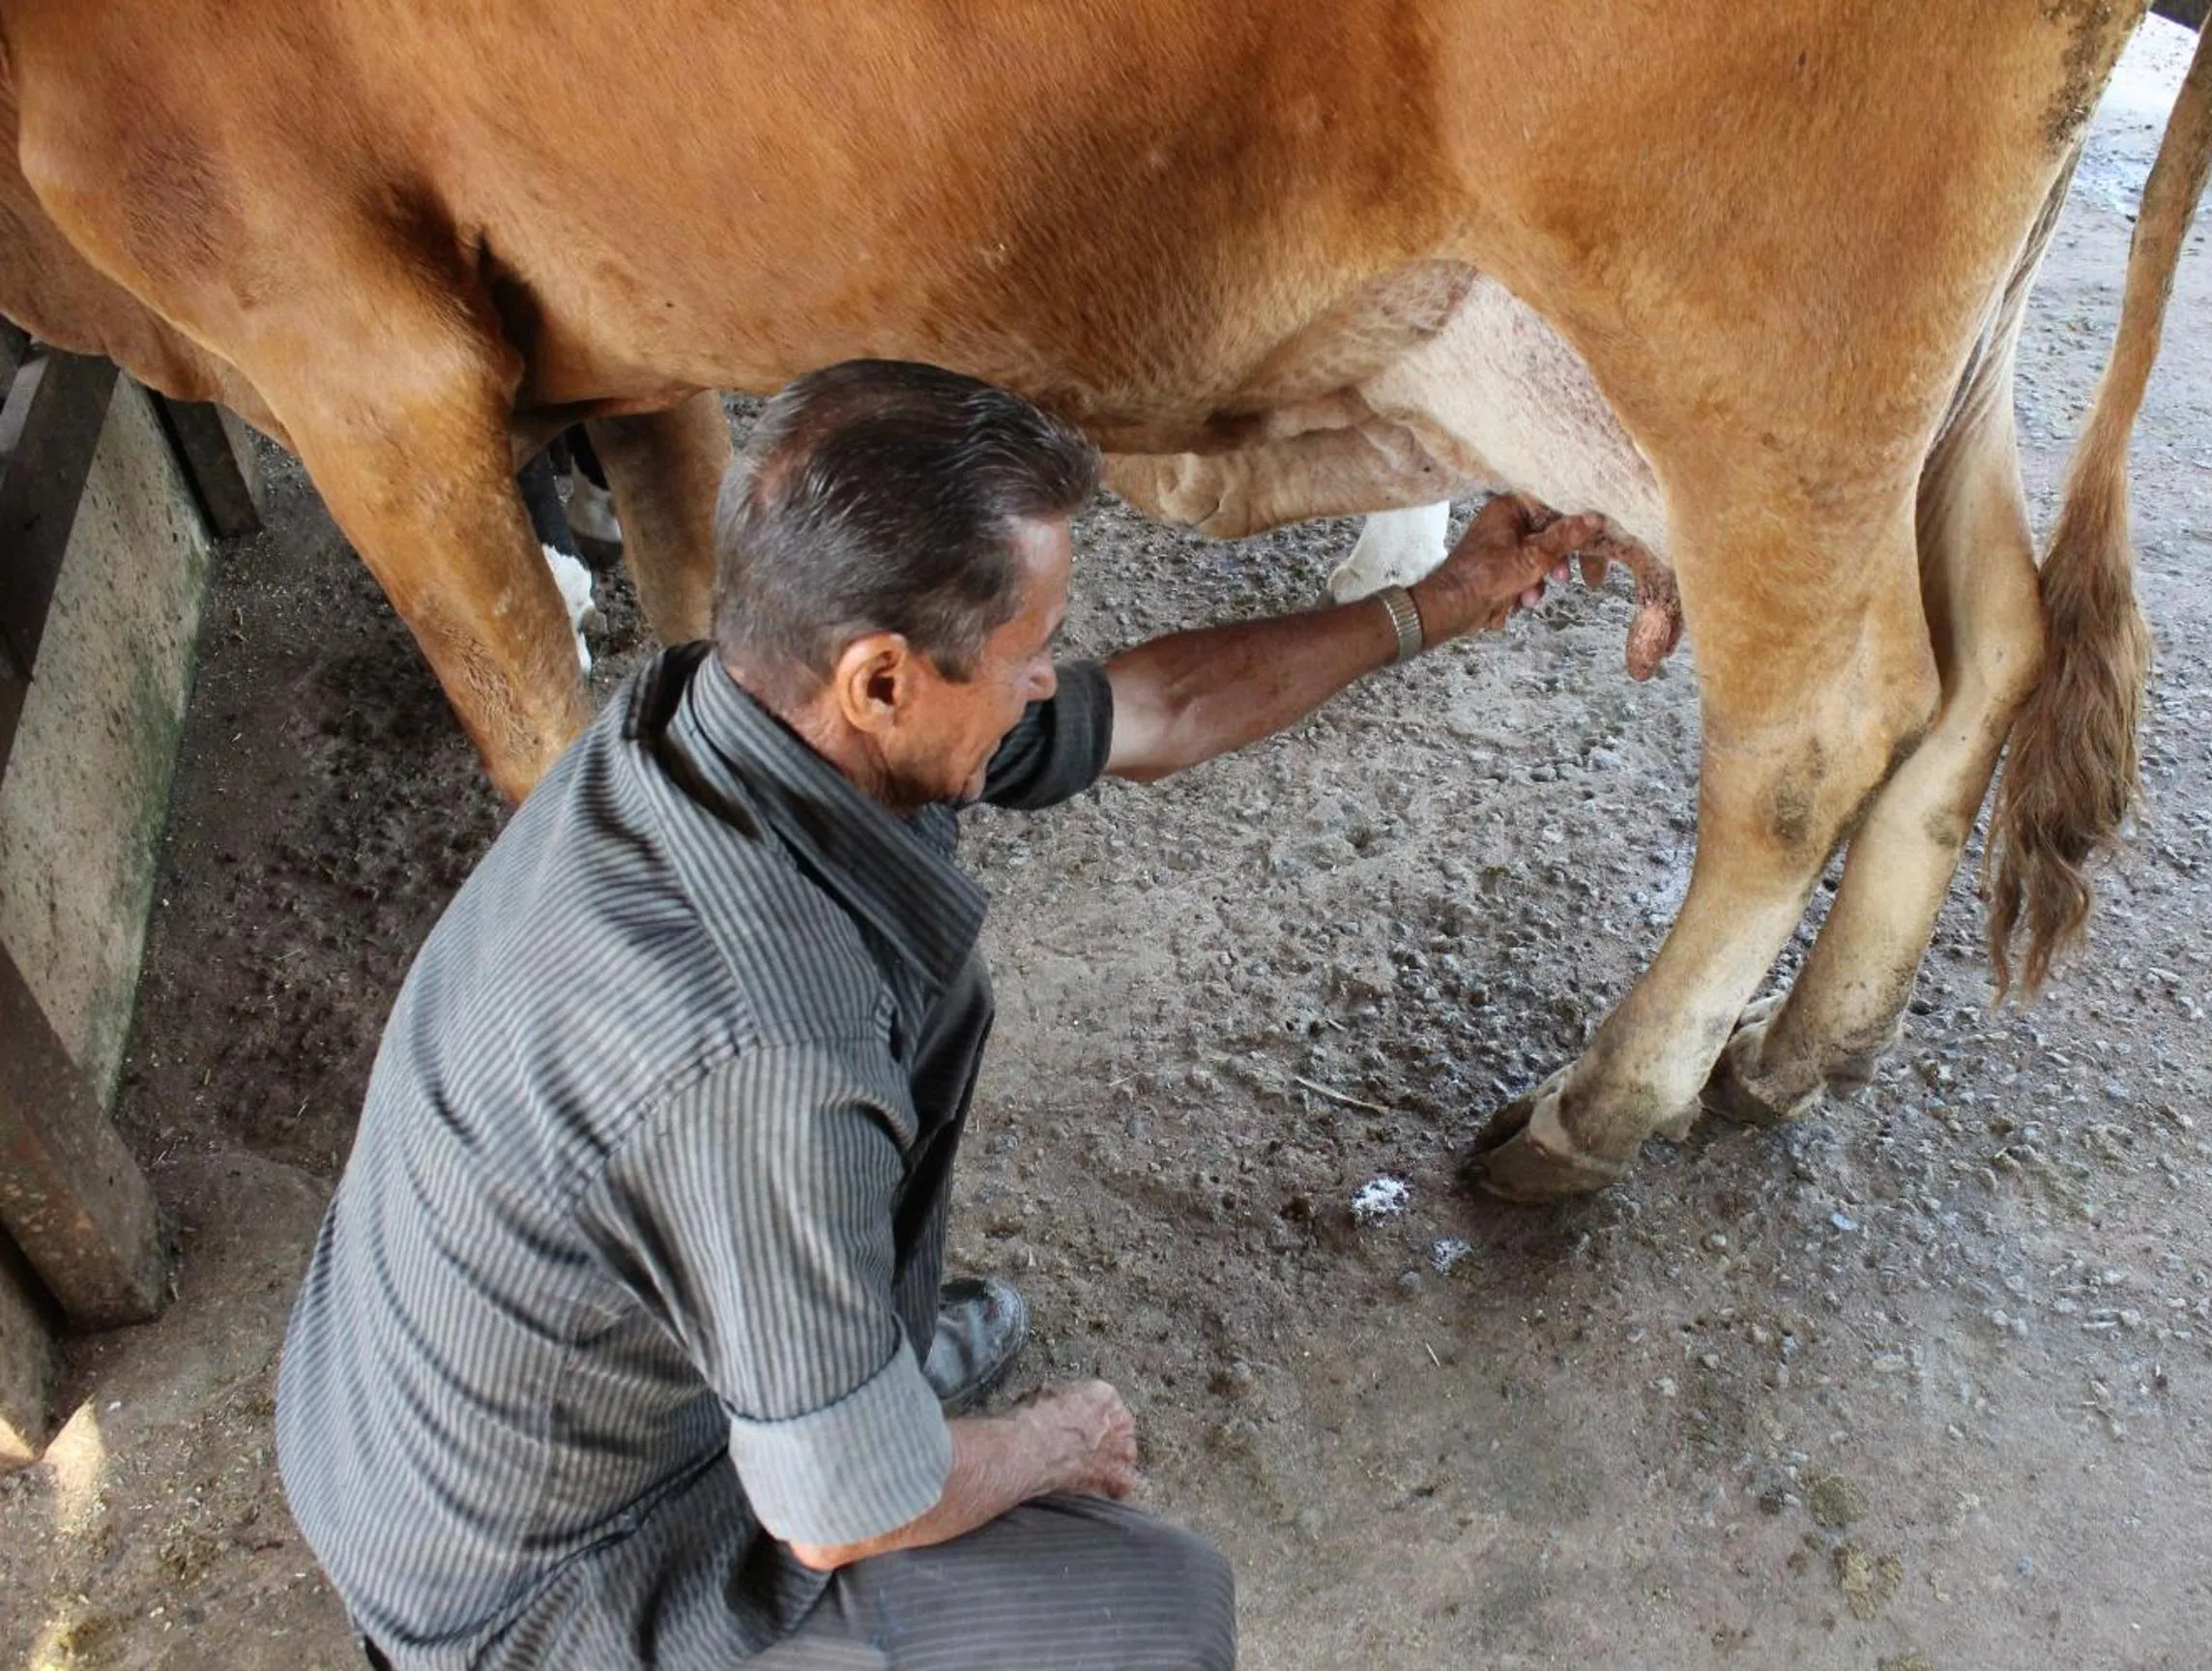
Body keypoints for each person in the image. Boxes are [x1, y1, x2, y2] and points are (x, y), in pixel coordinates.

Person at [275, 360, 1600, 1671]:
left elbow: (1163, 708)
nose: (1046, 683)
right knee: (1154, 1607)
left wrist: (1440, 602)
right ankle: (839, 1413)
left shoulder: (730, 709)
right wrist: (1051, 1444)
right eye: (1028, 656)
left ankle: (853, 1375)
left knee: (921, 1017)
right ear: (882, 681)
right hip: (524, 1587)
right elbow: (843, 1513)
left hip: (416, 1412)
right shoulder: (768, 1054)